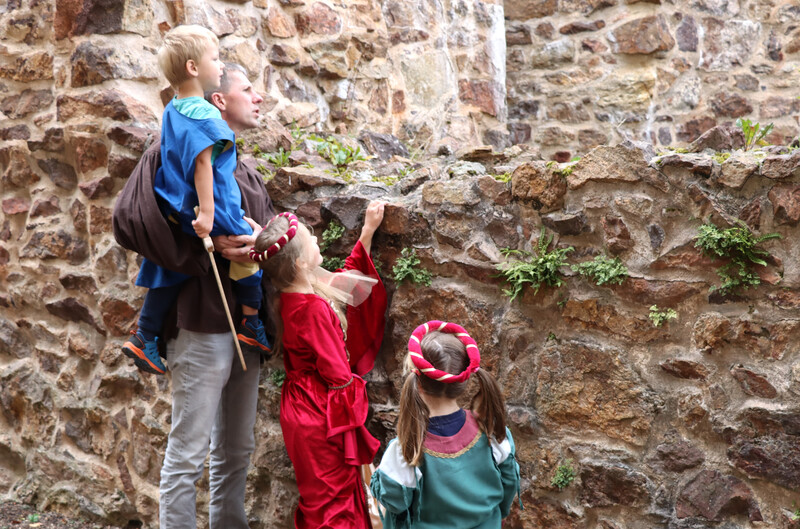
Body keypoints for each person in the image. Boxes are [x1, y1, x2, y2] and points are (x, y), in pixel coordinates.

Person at [112, 62, 273, 529]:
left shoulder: (243, 166)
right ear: (218, 100)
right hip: (201, 325)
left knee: (236, 450)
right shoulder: (173, 149)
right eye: (247, 89)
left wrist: (263, 238)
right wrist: (207, 242)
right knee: (188, 453)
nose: (258, 97)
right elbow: (133, 220)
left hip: (247, 328)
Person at [122, 25, 269, 375]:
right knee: (247, 251)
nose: (219, 66)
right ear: (192, 68)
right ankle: (251, 320)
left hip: (176, 202)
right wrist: (207, 212)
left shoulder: (174, 108)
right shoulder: (204, 115)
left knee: (167, 267)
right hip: (214, 204)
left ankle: (145, 333)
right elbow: (203, 163)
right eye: (215, 59)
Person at [251, 201, 388, 528]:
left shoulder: (289, 293)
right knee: (335, 502)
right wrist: (354, 425)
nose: (316, 241)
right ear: (299, 262)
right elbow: (339, 377)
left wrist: (367, 232)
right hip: (319, 412)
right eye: (312, 240)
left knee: (321, 497)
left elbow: (342, 283)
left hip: (299, 407)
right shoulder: (312, 309)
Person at [370, 321, 521, 529]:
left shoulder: (405, 450)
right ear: (463, 381)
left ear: (418, 384)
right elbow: (509, 482)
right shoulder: (492, 432)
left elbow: (395, 505)